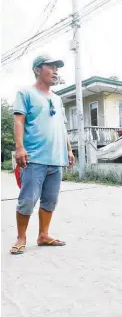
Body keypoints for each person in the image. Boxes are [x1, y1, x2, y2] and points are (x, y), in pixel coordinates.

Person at [10, 55, 75, 255]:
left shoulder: (57, 98)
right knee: (28, 199)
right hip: (34, 157)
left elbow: (62, 127)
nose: (56, 71)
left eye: (58, 68)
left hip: (56, 158)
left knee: (50, 200)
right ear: (38, 69)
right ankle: (21, 238)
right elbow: (19, 121)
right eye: (51, 67)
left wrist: (69, 150)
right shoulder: (25, 93)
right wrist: (20, 148)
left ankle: (43, 235)